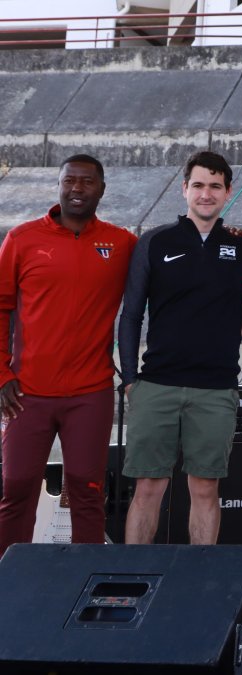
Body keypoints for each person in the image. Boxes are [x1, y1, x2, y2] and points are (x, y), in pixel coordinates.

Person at [119, 151, 242, 546]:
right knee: (148, 488)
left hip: (215, 388)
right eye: (198, 185)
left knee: (205, 489)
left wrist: (219, 332)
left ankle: (199, 584)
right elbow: (131, 315)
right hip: (157, 385)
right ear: (184, 190)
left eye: (215, 186)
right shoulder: (155, 242)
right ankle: (134, 578)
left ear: (228, 192)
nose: (206, 193)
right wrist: (131, 379)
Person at [0, 155, 137, 556]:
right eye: (70, 181)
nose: (77, 189)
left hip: (90, 392)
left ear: (102, 189)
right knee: (17, 487)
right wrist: (2, 374)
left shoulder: (121, 243)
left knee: (87, 488)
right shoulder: (23, 239)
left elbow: (168, 263)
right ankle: (9, 582)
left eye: (87, 182)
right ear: (59, 185)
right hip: (27, 391)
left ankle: (84, 580)